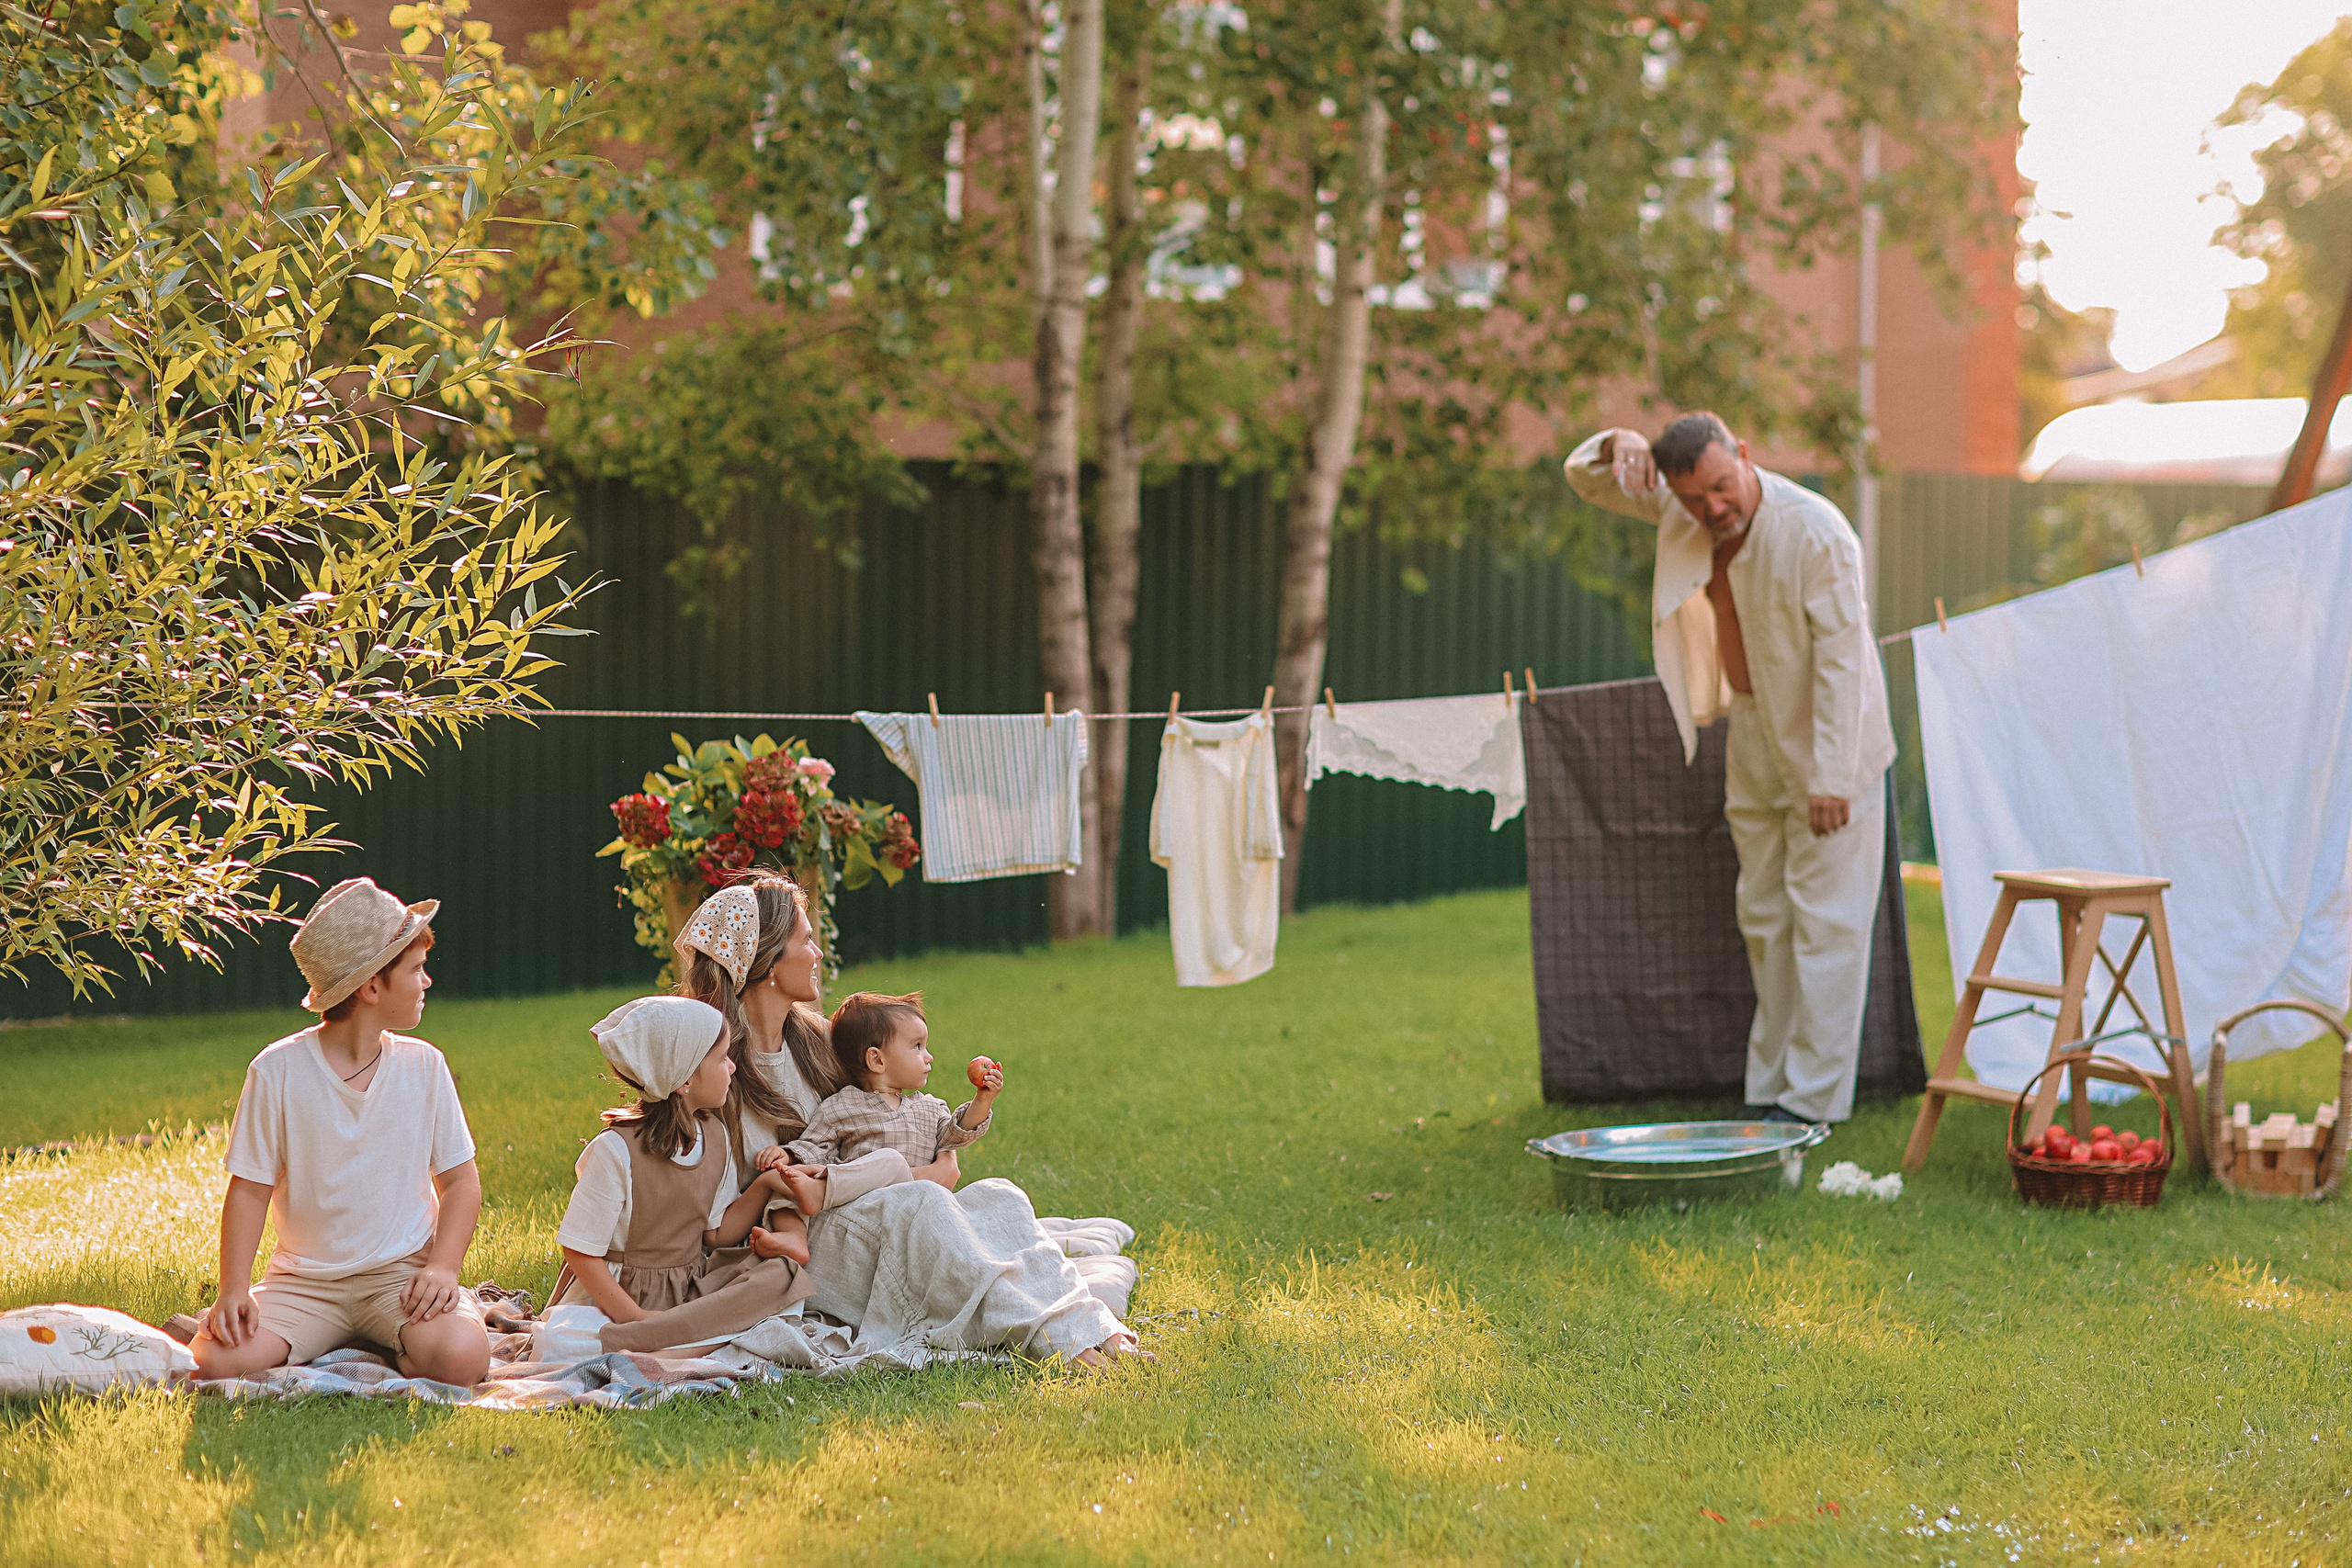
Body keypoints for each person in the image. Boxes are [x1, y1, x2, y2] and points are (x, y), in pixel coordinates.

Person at [1565, 412, 1896, 1124]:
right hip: (1750, 734)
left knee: (1828, 924)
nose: (1712, 508)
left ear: (1744, 455)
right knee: (1765, 917)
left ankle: (1811, 1106)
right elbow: (1585, 479)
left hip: (1829, 744)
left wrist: (1832, 777)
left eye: (1722, 487)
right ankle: (1769, 1090)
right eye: (1693, 499)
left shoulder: (1817, 531)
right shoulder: (1687, 509)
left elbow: (1844, 665)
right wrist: (1617, 441)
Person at [673, 879, 1150, 1368]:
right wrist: (919, 1177)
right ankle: (1064, 1338)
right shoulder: (714, 1070)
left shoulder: (818, 1043)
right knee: (927, 1205)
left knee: (999, 1196)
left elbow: (892, 1120)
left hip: (882, 1210)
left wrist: (942, 1160)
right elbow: (716, 1221)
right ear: (771, 962)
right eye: (806, 940)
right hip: (811, 1244)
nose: (817, 952)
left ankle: (1089, 1325)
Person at [189, 877, 492, 1384]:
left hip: (401, 1278)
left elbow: (461, 1183)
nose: (427, 981)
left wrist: (442, 1269)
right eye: (416, 969)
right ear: (372, 986)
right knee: (209, 1364)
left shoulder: (425, 1066)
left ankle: (399, 1339)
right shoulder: (277, 1071)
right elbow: (248, 1190)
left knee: (464, 1357)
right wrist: (234, 1288)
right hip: (304, 1286)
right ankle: (370, 1341)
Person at [549, 996, 809, 1353]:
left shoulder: (715, 1137)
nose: (732, 1067)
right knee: (558, 1340)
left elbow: (716, 1234)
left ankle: (671, 1339)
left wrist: (765, 1184)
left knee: (782, 1276)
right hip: (618, 1300)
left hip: (688, 1290)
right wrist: (635, 1317)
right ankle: (666, 1339)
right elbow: (579, 1252)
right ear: (685, 1078)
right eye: (721, 1059)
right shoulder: (615, 1150)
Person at [783, 992, 1001, 1169]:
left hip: (921, 1203)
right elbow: (812, 1147)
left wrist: (983, 1099)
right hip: (872, 1205)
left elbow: (956, 1135)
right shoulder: (841, 1106)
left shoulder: (930, 1109)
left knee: (1001, 1192)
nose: (929, 1056)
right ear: (877, 1060)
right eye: (917, 1046)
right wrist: (787, 1156)